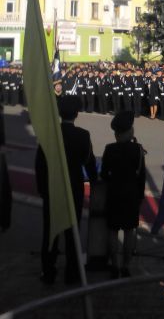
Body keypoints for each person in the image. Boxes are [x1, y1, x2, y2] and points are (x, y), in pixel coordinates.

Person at [35, 95, 97, 285]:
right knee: (73, 232)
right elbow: (89, 162)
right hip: (73, 187)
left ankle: (48, 271)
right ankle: (72, 272)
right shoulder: (83, 135)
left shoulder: (49, 134)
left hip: (52, 188)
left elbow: (40, 165)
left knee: (50, 233)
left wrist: (43, 191)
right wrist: (94, 181)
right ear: (77, 114)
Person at [101, 111, 146, 278]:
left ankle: (114, 265)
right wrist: (140, 196)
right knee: (129, 231)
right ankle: (126, 266)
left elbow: (104, 174)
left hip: (114, 193)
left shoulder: (109, 149)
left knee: (112, 231)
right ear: (130, 131)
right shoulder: (137, 150)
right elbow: (142, 176)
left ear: (116, 133)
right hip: (131, 195)